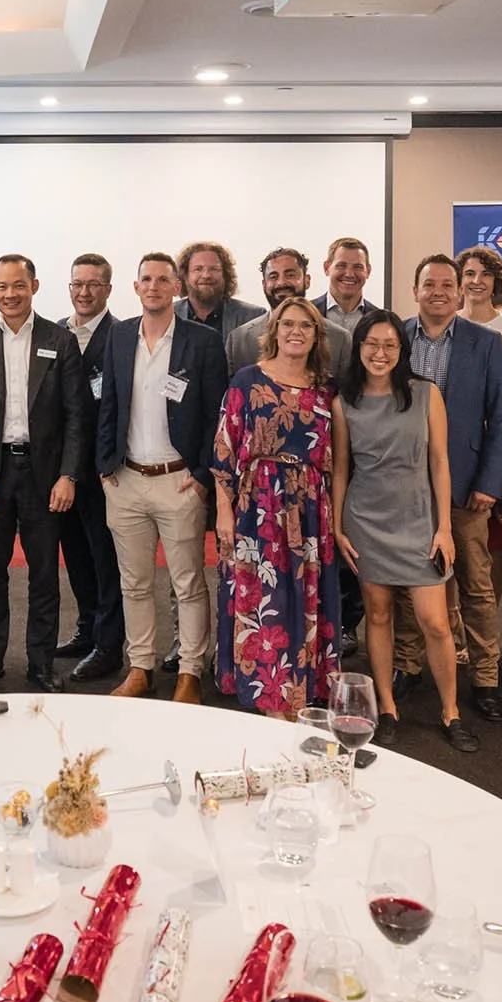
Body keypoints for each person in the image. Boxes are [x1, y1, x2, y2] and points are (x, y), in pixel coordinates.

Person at [333, 308, 475, 750]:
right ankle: (387, 707)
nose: (380, 353)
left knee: (435, 622)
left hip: (419, 521)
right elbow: (340, 469)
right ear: (359, 348)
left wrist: (444, 528)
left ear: (402, 349)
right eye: (372, 344)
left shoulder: (425, 394)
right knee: (377, 615)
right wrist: (338, 528)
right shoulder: (344, 403)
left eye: (390, 345)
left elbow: (440, 463)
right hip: (366, 521)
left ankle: (451, 712)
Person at [96, 252, 228, 703]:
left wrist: (202, 474)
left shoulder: (203, 341)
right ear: (135, 288)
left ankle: (191, 671)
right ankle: (141, 667)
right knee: (133, 582)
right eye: (145, 279)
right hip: (126, 480)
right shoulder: (117, 336)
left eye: (162, 279)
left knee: (187, 582)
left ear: (178, 288)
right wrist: (104, 467)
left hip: (180, 481)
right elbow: (107, 403)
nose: (153, 286)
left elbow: (216, 412)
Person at [393, 255, 502, 722]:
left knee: (476, 586)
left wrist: (490, 483)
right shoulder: (396, 337)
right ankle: (408, 665)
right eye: (430, 284)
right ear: (415, 290)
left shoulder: (485, 343)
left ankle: (486, 676)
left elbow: (501, 418)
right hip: (405, 485)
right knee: (410, 581)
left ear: (460, 293)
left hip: (465, 486)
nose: (439, 291)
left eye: (448, 284)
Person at [212, 297, 340, 719]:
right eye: (288, 323)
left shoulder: (326, 389)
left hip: (309, 511)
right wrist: (224, 512)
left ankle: (301, 689)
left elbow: (335, 459)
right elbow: (225, 450)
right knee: (262, 595)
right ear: (274, 330)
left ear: (316, 335)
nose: (296, 331)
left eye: (306, 325)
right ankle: (270, 696)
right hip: (257, 506)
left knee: (303, 595)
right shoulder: (246, 381)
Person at [0, 254, 85, 693]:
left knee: (44, 576)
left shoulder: (60, 339)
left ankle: (41, 664)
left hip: (45, 476)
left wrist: (69, 475)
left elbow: (76, 416)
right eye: (1, 287)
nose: (10, 295)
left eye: (18, 285)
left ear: (34, 286)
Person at [59, 253, 124, 682]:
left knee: (106, 561)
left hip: (102, 472)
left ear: (108, 289)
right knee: (76, 556)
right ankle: (85, 629)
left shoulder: (122, 336)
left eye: (93, 284)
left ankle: (108, 645)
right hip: (63, 470)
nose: (84, 292)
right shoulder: (57, 334)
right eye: (77, 284)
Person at [224, 247, 313, 371]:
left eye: (290, 275)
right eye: (273, 276)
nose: (281, 282)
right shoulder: (239, 340)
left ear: (307, 280)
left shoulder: (338, 338)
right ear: (264, 284)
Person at [174, 241, 264, 340]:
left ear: (226, 275)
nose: (206, 275)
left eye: (214, 269)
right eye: (198, 269)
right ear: (185, 276)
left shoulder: (254, 317)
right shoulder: (168, 315)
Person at [457, 244, 502, 345]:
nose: (477, 281)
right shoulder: (446, 324)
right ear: (459, 280)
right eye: (470, 274)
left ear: (496, 281)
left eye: (486, 274)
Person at [311, 238, 374, 334]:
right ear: (327, 268)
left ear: (368, 271)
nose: (349, 274)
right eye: (341, 266)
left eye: (357, 267)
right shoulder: (307, 313)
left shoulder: (378, 318)